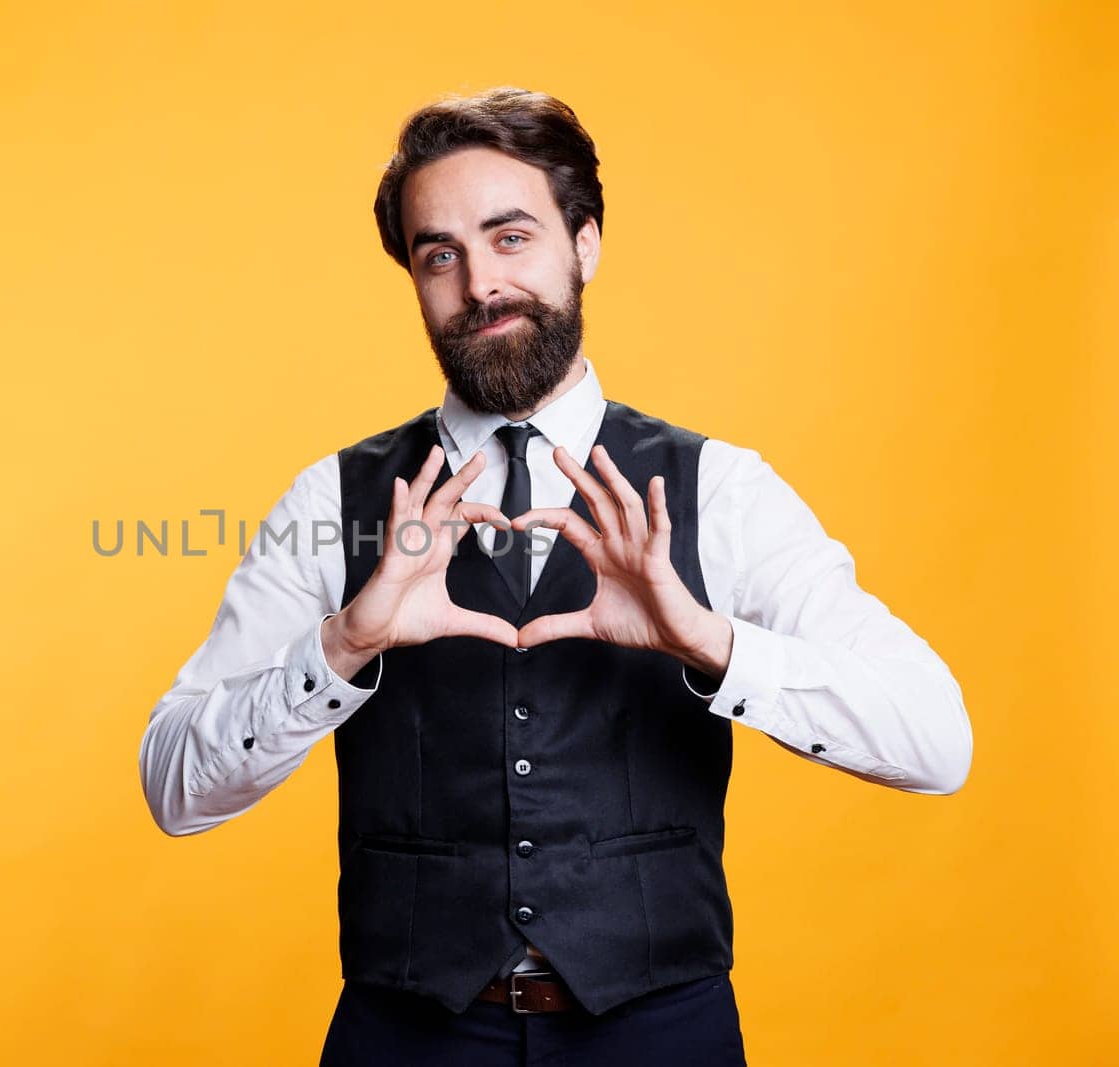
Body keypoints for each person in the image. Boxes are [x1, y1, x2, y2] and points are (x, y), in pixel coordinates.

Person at [138, 86, 972, 1065]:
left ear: (584, 242)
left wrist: (707, 640)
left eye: (510, 237)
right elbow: (173, 787)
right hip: (405, 1039)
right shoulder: (333, 499)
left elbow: (937, 741)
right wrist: (344, 644)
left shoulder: (726, 491)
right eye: (436, 253)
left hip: (662, 1033)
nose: (477, 283)